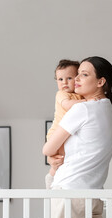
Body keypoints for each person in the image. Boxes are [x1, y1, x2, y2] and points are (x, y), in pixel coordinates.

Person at [43, 56, 112, 218]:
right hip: (93, 193)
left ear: (100, 82)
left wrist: (51, 157)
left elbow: (47, 149)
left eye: (83, 74)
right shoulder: (109, 111)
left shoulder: (83, 109)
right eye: (77, 74)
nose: (76, 78)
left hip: (70, 192)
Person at [45, 59, 86, 188]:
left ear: (77, 79)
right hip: (56, 133)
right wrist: (89, 102)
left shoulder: (80, 95)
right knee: (59, 159)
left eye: (69, 78)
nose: (65, 83)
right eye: (60, 79)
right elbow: (68, 105)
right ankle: (50, 178)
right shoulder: (61, 94)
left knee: (60, 161)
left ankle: (51, 176)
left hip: (65, 133)